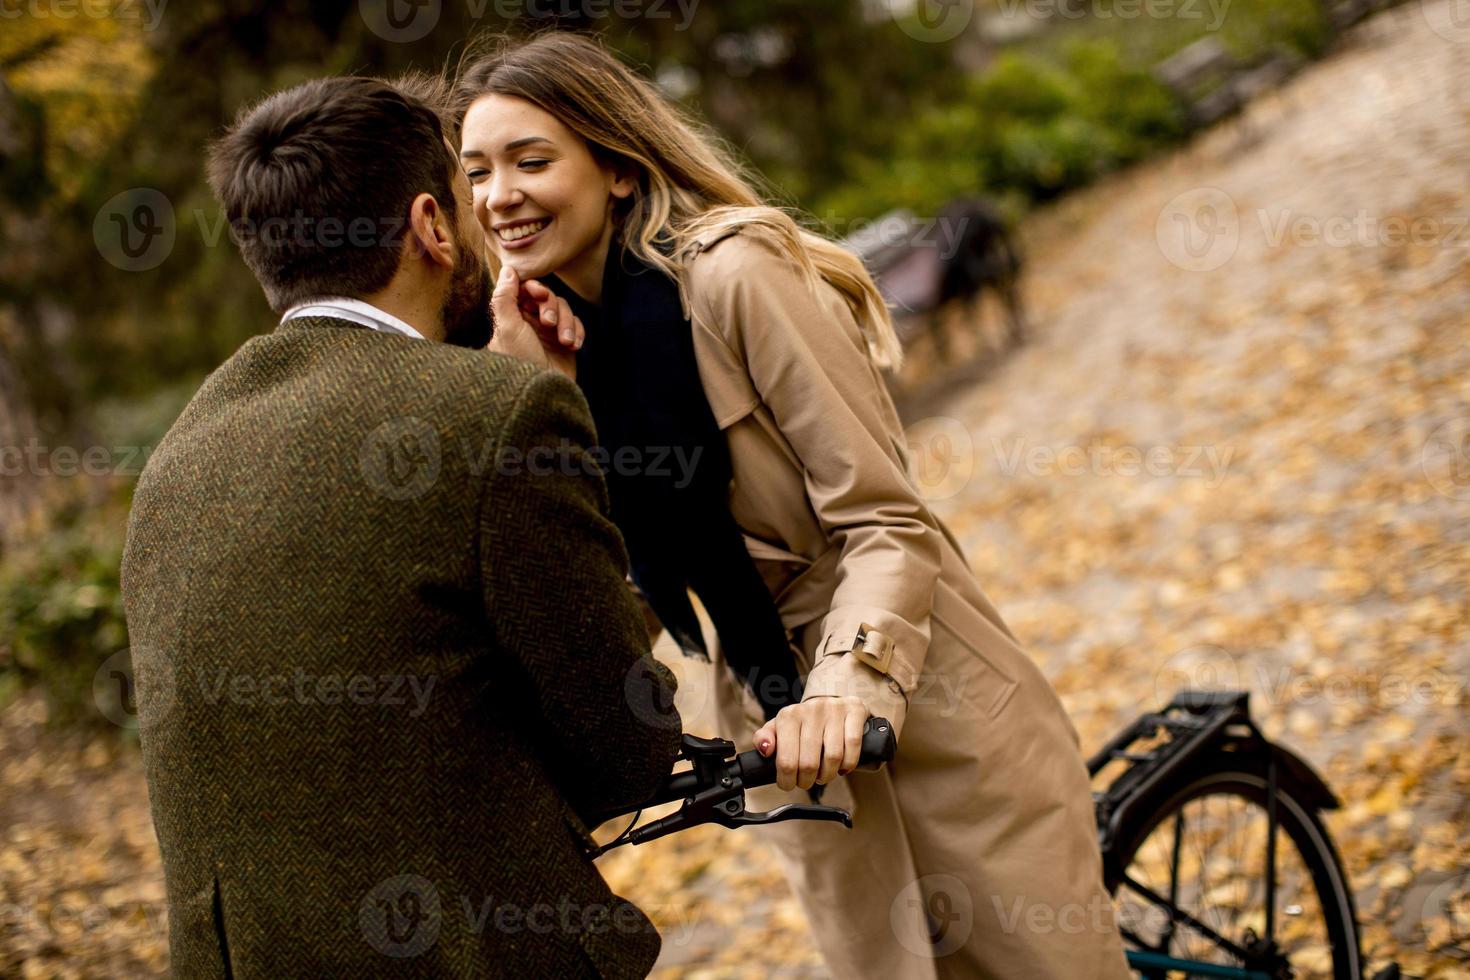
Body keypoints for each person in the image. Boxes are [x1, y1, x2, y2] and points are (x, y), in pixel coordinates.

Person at [453, 31, 1133, 980]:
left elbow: (885, 522)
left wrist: (848, 686)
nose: (498, 195)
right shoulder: (545, 344)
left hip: (916, 684)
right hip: (775, 726)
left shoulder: (736, 276)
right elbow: (627, 587)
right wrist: (531, 399)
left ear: (614, 167)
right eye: (476, 172)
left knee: (1042, 960)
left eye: (531, 161)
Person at [119, 73, 682, 978]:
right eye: (467, 199)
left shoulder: (179, 460)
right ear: (430, 225)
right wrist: (516, 405)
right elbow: (629, 749)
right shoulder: (496, 421)